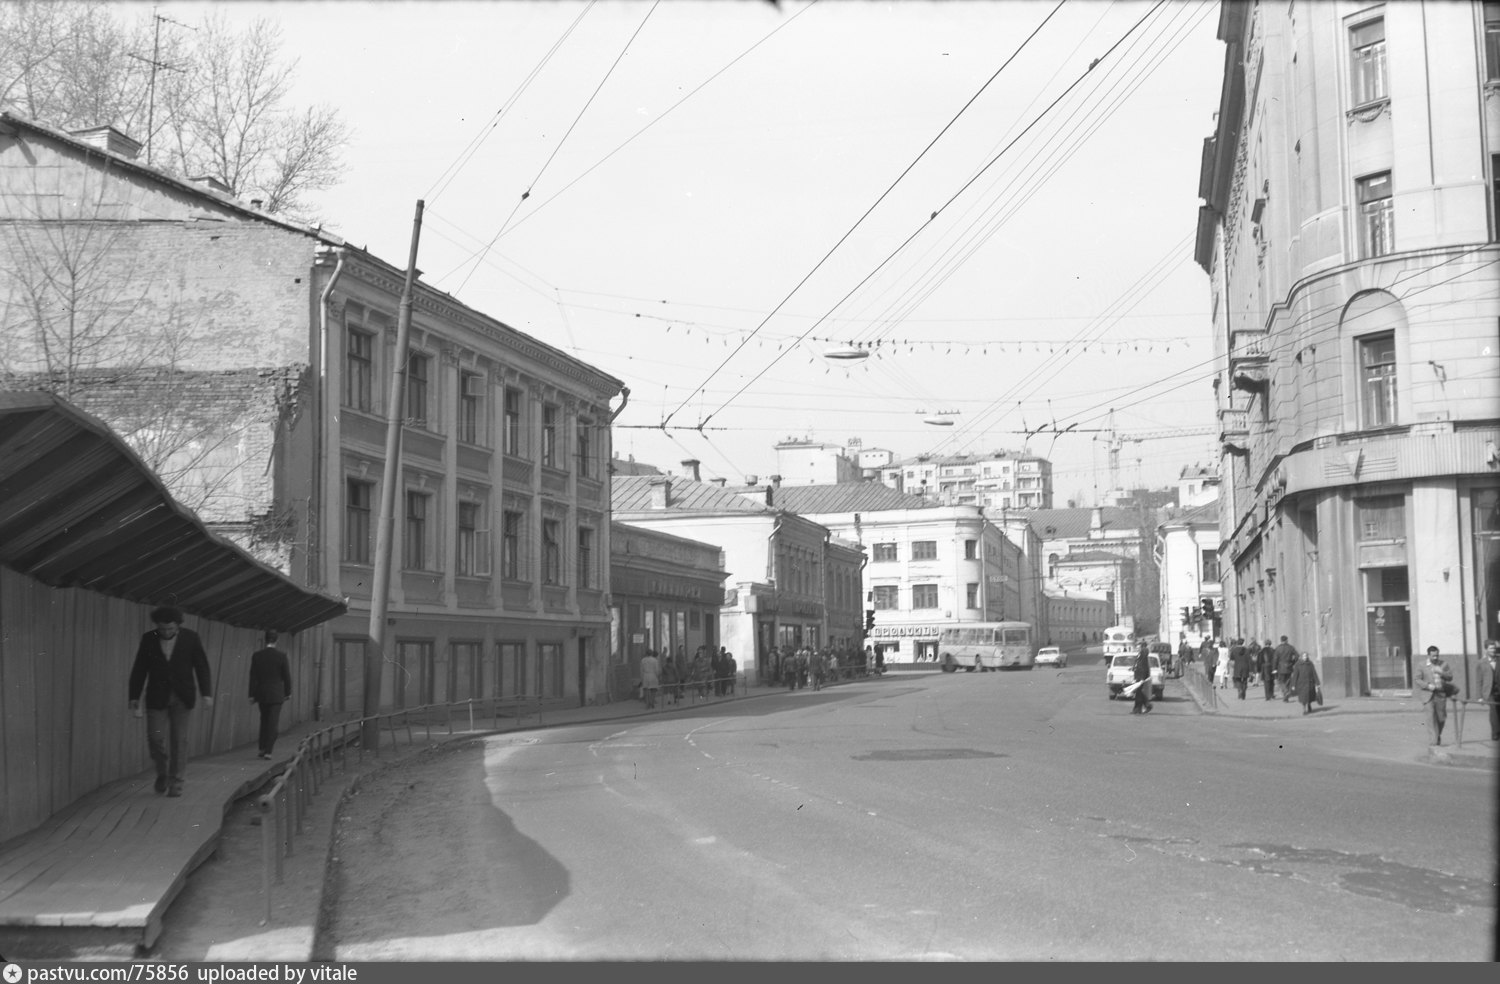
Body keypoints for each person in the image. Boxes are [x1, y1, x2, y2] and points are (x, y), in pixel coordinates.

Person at [128, 605, 214, 798]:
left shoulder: (191, 638)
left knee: (179, 740)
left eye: (170, 629)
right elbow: (139, 668)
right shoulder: (148, 639)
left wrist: (206, 693)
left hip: (182, 697)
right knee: (155, 738)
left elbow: (201, 666)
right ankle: (162, 772)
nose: (166, 632)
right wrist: (134, 696)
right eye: (162, 629)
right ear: (157, 626)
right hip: (157, 697)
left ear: (178, 626)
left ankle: (176, 782)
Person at [248, 629, 292, 760]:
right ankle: (268, 751)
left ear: (265, 639)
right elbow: (286, 677)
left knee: (264, 720)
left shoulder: (257, 655)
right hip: (277, 694)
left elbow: (253, 677)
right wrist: (288, 692)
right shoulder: (282, 656)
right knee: (273, 722)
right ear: (277, 640)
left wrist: (251, 694)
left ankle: (262, 748)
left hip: (262, 693)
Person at [1415, 646, 1455, 746]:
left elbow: (1450, 677)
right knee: (1431, 718)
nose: (1435, 658)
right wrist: (1427, 685)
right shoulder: (1421, 665)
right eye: (1433, 656)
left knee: (1441, 718)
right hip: (1428, 695)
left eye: (1437, 655)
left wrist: (1442, 672)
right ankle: (1433, 742)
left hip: (1440, 694)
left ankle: (1437, 735)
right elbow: (1417, 680)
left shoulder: (1444, 664)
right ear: (1428, 655)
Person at [1477, 640, 1499, 742]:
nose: (1493, 650)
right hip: (1489, 691)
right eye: (1491, 648)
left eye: (1494, 648)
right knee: (1493, 711)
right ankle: (1495, 733)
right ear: (1486, 649)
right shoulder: (1481, 663)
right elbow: (1479, 680)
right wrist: (1479, 696)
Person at [1131, 643, 1153, 714]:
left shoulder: (1143, 657)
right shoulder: (1138, 656)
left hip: (1141, 677)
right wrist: (1133, 668)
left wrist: (1142, 678)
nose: (1137, 649)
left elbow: (1144, 668)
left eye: (1138, 648)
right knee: (1139, 693)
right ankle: (1145, 706)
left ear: (1141, 648)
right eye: (1136, 648)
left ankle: (1138, 709)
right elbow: (1137, 665)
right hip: (1137, 676)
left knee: (1138, 693)